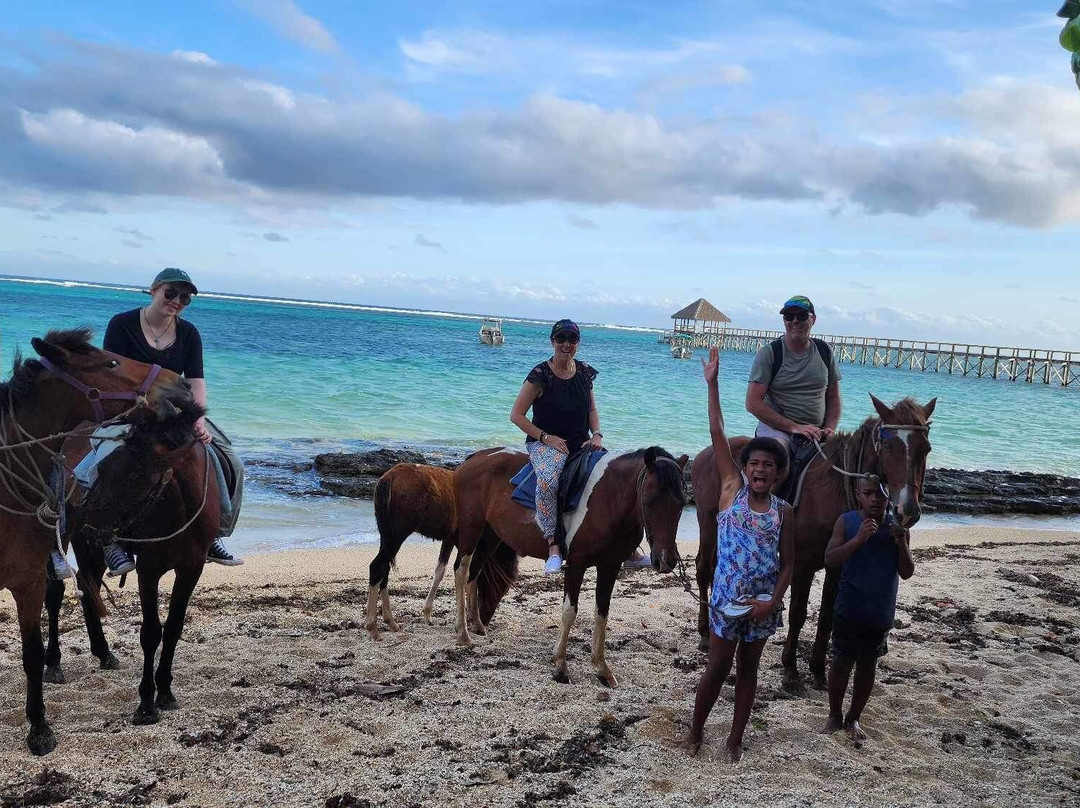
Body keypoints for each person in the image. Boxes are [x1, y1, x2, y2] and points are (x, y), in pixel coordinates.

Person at [685, 347, 794, 762]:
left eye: (769, 465)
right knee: (716, 667)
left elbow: (790, 563)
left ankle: (735, 739)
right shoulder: (732, 490)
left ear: (779, 473)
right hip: (726, 599)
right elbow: (717, 430)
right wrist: (712, 385)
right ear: (744, 469)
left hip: (763, 605)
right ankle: (695, 731)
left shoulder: (785, 512)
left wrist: (773, 601)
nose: (761, 470)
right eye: (755, 464)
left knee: (749, 673)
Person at [99, 267, 242, 573]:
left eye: (185, 298)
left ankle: (213, 533)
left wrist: (198, 418)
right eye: (171, 293)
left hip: (176, 411)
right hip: (129, 407)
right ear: (154, 290)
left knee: (229, 461)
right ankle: (107, 537)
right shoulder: (122, 323)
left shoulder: (189, 333)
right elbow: (110, 373)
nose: (177, 301)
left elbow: (196, 381)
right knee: (97, 458)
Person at [822, 476, 915, 741]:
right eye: (868, 493)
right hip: (849, 607)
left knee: (867, 665)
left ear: (890, 496)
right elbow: (830, 558)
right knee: (840, 663)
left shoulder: (898, 526)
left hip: (880, 610)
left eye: (880, 493)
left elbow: (907, 572)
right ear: (858, 495)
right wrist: (858, 539)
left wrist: (902, 543)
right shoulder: (847, 521)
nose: (875, 498)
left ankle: (854, 719)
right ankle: (834, 716)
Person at [510, 319, 603, 575]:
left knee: (612, 475)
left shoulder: (584, 373)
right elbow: (516, 415)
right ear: (552, 341)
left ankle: (626, 547)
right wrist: (544, 437)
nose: (566, 344)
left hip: (581, 442)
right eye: (561, 338)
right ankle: (553, 545)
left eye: (572, 339)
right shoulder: (540, 375)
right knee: (549, 481)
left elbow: (592, 409)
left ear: (578, 344)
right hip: (546, 444)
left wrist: (596, 435)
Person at [746, 295, 842, 455]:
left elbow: (833, 397)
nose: (795, 321)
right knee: (777, 458)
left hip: (816, 430)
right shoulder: (770, 353)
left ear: (813, 319)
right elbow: (752, 402)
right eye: (789, 316)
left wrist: (829, 428)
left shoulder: (824, 351)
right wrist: (795, 427)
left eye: (802, 316)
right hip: (777, 430)